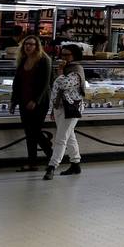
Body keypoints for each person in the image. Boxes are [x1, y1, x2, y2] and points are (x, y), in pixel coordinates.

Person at [9, 35, 54, 172]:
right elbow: (17, 82)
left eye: (31, 44)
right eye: (26, 44)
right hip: (23, 100)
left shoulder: (44, 60)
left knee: (35, 131)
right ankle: (33, 162)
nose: (28, 46)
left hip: (39, 102)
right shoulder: (23, 59)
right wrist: (14, 101)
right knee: (29, 133)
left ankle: (53, 157)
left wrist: (35, 100)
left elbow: (45, 83)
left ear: (37, 46)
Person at [44, 45, 86, 180]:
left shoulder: (76, 70)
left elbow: (64, 85)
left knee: (61, 138)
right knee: (69, 137)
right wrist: (53, 108)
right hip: (60, 107)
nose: (63, 57)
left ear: (74, 55)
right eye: (62, 54)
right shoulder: (65, 69)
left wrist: (61, 73)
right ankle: (75, 164)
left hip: (71, 109)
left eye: (67, 55)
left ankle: (52, 166)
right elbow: (55, 90)